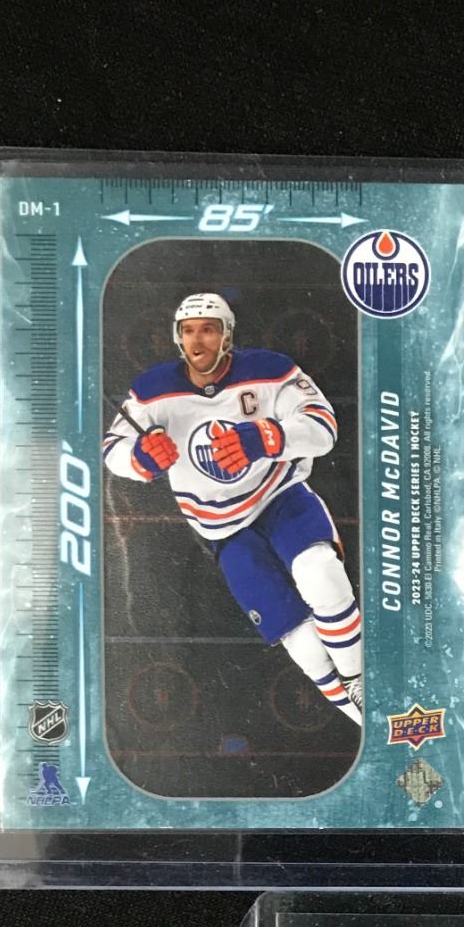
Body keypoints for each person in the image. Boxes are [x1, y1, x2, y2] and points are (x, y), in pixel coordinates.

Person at [102, 293, 363, 725]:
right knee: (295, 635)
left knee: (318, 571)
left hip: (280, 497)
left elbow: (323, 425)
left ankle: (360, 679)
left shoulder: (270, 370)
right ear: (177, 337)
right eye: (188, 331)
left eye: (208, 329)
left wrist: (265, 438)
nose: (197, 340)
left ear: (227, 335)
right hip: (223, 530)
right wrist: (141, 458)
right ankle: (361, 717)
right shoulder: (152, 391)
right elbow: (114, 449)